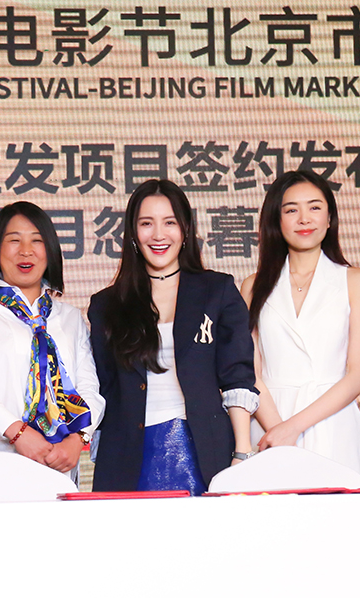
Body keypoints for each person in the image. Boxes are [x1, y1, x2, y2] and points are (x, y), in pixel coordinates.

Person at [88, 179, 258, 494]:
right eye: (146, 223)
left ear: (185, 229)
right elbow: (103, 388)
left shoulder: (217, 290)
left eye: (169, 222)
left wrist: (242, 452)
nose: (158, 235)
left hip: (204, 451)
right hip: (126, 455)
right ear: (132, 233)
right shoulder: (106, 305)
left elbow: (237, 375)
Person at [0, 201, 103, 476]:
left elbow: (89, 386)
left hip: (56, 461)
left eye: (36, 240)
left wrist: (79, 438)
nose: (26, 250)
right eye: (14, 240)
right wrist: (17, 432)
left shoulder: (70, 318)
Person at [239, 170, 360, 476]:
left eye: (314, 207)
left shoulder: (353, 280)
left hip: (332, 422)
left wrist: (294, 427)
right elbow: (249, 373)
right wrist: (279, 431)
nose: (304, 219)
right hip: (269, 425)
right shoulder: (252, 286)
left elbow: (358, 376)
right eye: (291, 210)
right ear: (276, 220)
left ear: (329, 217)